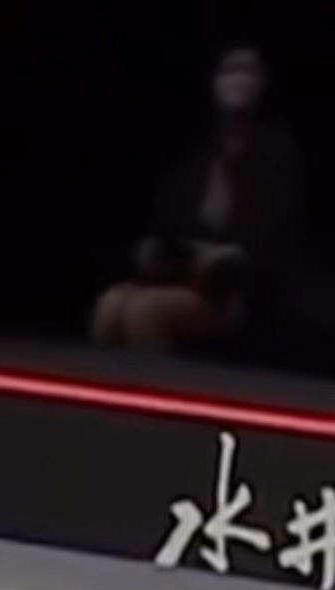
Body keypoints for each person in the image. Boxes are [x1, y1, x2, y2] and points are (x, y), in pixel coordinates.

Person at [89, 42, 307, 357]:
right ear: (214, 80)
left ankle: (160, 387)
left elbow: (276, 239)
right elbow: (165, 224)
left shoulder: (278, 152)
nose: (239, 80)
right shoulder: (195, 153)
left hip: (233, 289)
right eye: (230, 70)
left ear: (263, 82)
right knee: (110, 305)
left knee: (144, 313)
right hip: (179, 274)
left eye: (249, 71)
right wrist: (154, 248)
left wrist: (224, 261)